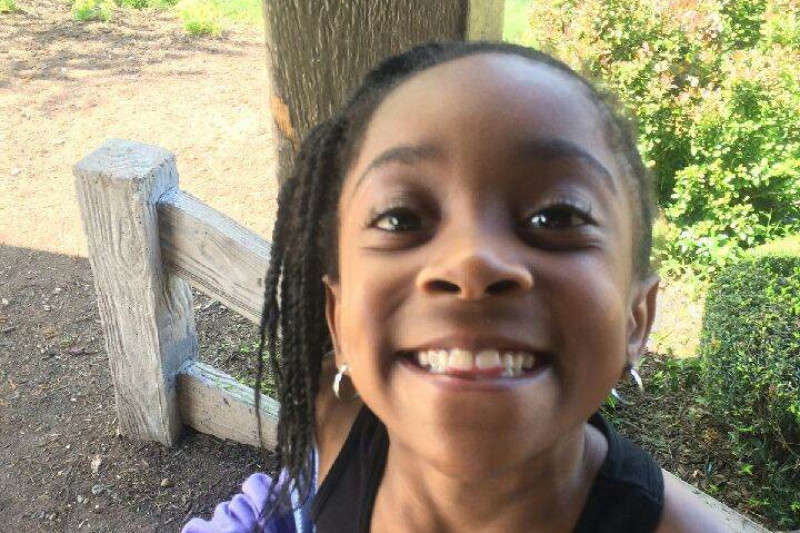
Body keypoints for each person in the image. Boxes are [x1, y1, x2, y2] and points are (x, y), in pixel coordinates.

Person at [183, 41, 731, 533]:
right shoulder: (337, 419)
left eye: (557, 217)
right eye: (400, 218)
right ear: (339, 320)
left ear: (637, 320)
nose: (471, 261)